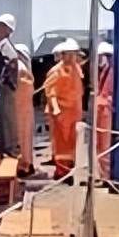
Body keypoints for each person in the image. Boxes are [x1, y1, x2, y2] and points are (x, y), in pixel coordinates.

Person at [43, 38, 83, 178]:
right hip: (62, 113)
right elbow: (51, 92)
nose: (72, 57)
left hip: (74, 112)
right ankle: (61, 172)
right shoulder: (56, 71)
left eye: (74, 54)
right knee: (61, 143)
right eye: (69, 54)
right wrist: (56, 109)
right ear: (63, 55)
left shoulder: (76, 69)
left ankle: (70, 168)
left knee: (72, 142)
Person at [0, 14, 19, 162]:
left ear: (8, 29)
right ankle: (3, 146)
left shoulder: (6, 45)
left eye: (2, 26)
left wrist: (2, 80)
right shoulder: (0, 45)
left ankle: (11, 148)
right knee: (1, 116)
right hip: (2, 87)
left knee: (8, 117)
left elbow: (12, 62)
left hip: (7, 87)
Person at [14, 42, 36, 176]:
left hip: (20, 109)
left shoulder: (19, 68)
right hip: (25, 108)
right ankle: (28, 163)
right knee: (27, 138)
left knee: (22, 138)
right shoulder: (24, 68)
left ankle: (23, 166)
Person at [94, 41, 114, 179]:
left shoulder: (112, 72)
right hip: (102, 112)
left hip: (106, 112)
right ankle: (103, 174)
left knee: (105, 145)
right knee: (101, 145)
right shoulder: (105, 72)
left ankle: (106, 175)